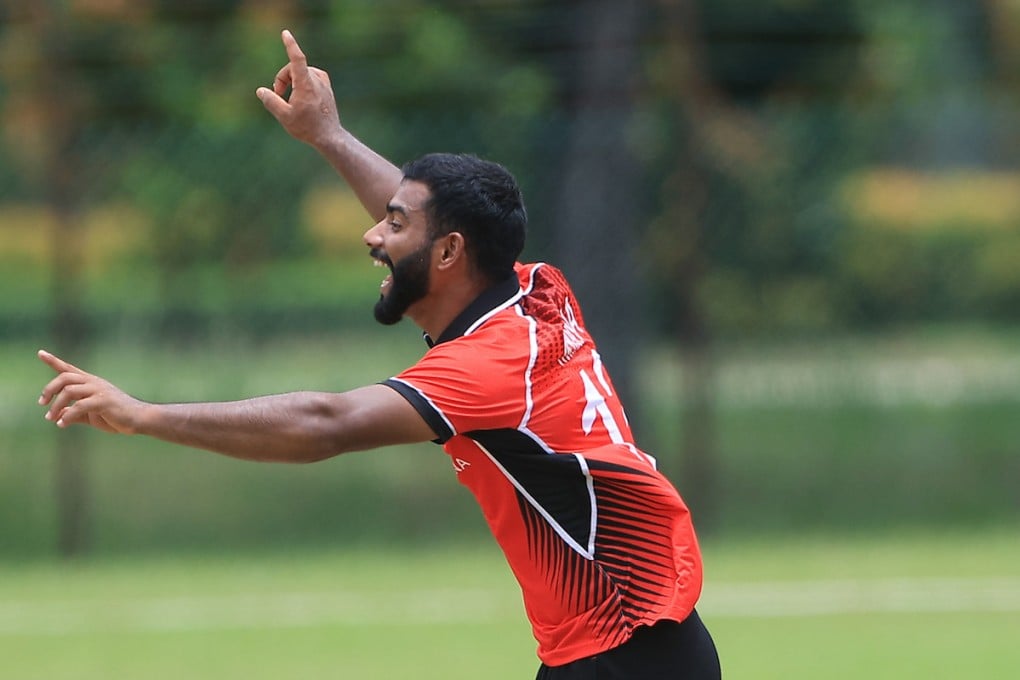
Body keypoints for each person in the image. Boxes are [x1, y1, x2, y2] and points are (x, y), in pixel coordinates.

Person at [37, 29, 721, 679]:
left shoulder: (488, 366)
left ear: (452, 252)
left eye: (392, 224)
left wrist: (144, 415)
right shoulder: (534, 290)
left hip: (624, 651)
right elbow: (436, 233)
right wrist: (328, 136)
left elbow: (325, 423)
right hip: (632, 644)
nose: (373, 233)